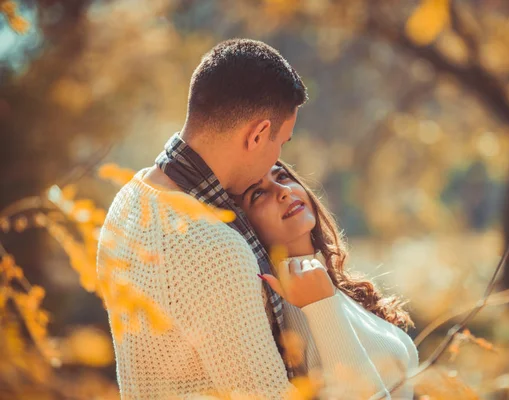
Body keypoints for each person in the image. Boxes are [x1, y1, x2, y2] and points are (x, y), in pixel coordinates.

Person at [97, 38, 311, 399]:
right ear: (258, 133)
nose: (277, 159)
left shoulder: (129, 199)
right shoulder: (215, 249)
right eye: (282, 142)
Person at [233, 161, 419, 399]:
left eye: (282, 176)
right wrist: (322, 307)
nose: (283, 191)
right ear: (243, 224)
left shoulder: (331, 284)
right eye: (258, 193)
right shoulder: (291, 311)